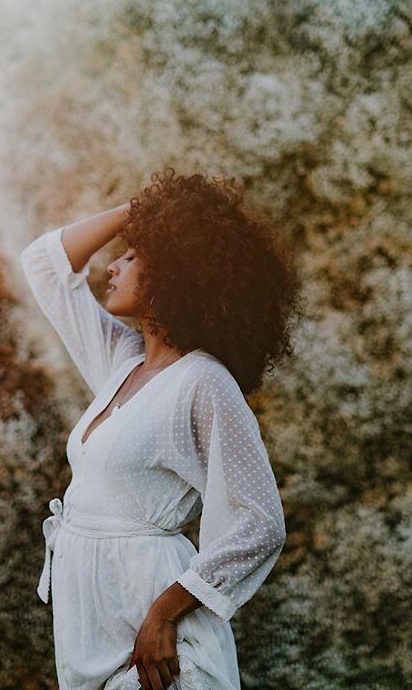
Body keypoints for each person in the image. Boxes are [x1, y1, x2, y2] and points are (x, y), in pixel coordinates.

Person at [19, 168, 304, 690]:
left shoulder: (202, 382)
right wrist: (147, 211)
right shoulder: (122, 362)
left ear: (177, 274)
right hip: (92, 633)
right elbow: (45, 263)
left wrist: (165, 614)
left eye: (132, 256)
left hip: (154, 640)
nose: (113, 265)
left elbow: (260, 520)